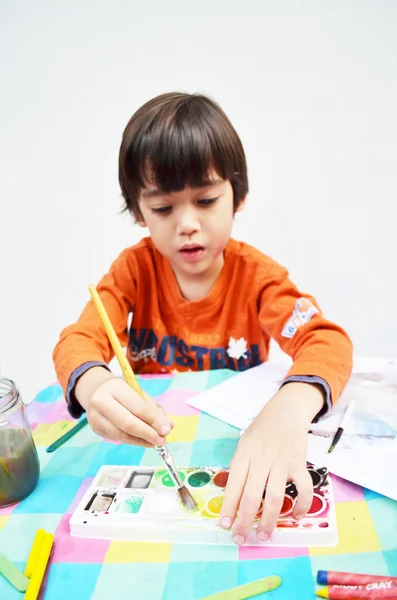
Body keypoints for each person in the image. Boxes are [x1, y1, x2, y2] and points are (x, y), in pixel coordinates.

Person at [53, 92, 353, 545]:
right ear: (138, 212)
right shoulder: (133, 271)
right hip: (158, 456)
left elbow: (326, 341)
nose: (187, 223)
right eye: (163, 208)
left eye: (207, 199)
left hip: (240, 445)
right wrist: (92, 384)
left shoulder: (257, 276)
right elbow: (78, 340)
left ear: (238, 197)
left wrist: (290, 409)